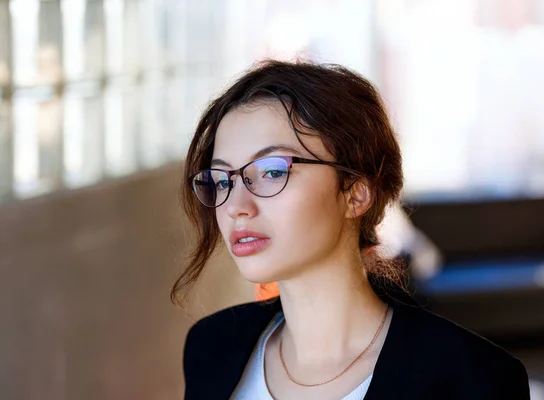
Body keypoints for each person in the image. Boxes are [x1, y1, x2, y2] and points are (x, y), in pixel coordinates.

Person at [172, 59, 530, 399]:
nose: (236, 207)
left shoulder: (474, 378)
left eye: (272, 171)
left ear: (356, 194)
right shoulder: (211, 347)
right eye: (222, 180)